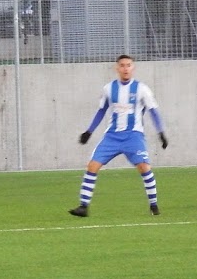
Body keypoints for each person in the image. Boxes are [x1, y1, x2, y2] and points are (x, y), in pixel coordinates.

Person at [69, 55, 168, 217]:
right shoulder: (108, 88)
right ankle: (83, 206)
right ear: (117, 68)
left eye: (128, 65)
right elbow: (101, 111)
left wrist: (161, 132)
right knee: (92, 166)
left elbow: (154, 112)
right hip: (112, 136)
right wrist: (89, 131)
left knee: (144, 167)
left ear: (133, 68)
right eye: (122, 65)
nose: (125, 68)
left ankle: (154, 205)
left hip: (133, 136)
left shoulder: (142, 89)